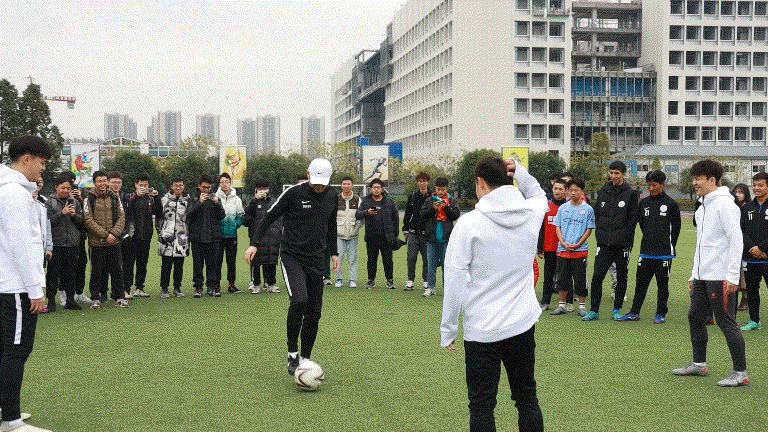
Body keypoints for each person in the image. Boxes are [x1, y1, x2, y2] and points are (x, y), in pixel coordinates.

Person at [441, 156, 545, 432]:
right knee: (526, 397)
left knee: (482, 406)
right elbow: (538, 193)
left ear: (480, 182)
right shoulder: (531, 212)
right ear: (508, 179)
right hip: (522, 322)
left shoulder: (468, 224)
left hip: (482, 328)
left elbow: (453, 278)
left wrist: (448, 328)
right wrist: (521, 172)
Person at [245, 158, 339, 376]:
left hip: (316, 258)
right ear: (307, 174)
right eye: (314, 181)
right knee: (299, 301)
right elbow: (268, 218)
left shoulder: (332, 196)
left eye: (322, 183)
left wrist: (333, 252)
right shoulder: (293, 194)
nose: (318, 186)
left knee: (315, 311)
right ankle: (292, 353)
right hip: (292, 256)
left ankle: (305, 358)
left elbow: (331, 225)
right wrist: (253, 244)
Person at [672, 159, 748, 387]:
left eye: (698, 178)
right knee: (695, 315)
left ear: (712, 180)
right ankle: (699, 364)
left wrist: (733, 276)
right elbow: (701, 243)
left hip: (721, 276)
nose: (694, 182)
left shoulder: (725, 205)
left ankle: (740, 373)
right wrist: (693, 274)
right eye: (693, 178)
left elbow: (736, 240)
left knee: (726, 322)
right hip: (703, 276)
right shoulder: (703, 205)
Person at [0, 135, 53, 432]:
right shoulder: (15, 194)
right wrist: (35, 289)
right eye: (41, 163)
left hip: (7, 283)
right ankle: (11, 420)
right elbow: (21, 244)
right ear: (26, 159)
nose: (42, 170)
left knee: (5, 349)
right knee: (16, 351)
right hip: (16, 286)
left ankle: (6, 409)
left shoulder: (10, 190)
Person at [618, 170, 680, 323]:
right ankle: (634, 312)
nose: (651, 188)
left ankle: (660, 313)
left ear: (662, 184)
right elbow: (642, 226)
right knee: (640, 283)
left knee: (662, 285)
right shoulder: (643, 203)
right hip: (646, 251)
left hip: (664, 253)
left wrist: (668, 245)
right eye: (649, 185)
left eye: (654, 185)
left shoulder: (671, 204)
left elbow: (676, 229)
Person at [586, 161, 638, 321]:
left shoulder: (630, 193)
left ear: (623, 174)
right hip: (604, 244)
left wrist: (623, 235)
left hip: (622, 244)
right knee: (597, 276)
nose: (613, 176)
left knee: (621, 277)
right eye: (612, 173)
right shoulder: (603, 191)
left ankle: (616, 310)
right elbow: (597, 214)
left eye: (617, 173)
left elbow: (633, 218)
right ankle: (594, 310)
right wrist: (601, 232)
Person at [550, 178, 594, 318]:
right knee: (562, 279)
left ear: (582, 191)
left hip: (580, 251)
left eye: (576, 190)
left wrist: (578, 243)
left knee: (581, 279)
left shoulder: (588, 209)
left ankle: (582, 307)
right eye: (571, 190)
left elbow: (589, 229)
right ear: (567, 192)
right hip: (563, 250)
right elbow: (558, 226)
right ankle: (561, 305)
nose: (573, 193)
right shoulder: (563, 208)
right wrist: (562, 242)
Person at [84, 170, 127, 309]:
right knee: (96, 272)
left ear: (107, 181)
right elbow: (88, 220)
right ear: (94, 182)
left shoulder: (115, 197)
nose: (102, 183)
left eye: (104, 181)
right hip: (97, 243)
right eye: (99, 181)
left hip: (114, 241)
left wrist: (114, 234)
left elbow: (122, 217)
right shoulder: (88, 198)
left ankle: (119, 297)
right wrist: (105, 234)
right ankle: (95, 299)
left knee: (117, 270)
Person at [45, 174, 85, 311]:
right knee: (53, 274)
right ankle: (50, 301)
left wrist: (74, 215)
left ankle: (70, 300)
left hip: (73, 244)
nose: (66, 190)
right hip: (56, 244)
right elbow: (47, 223)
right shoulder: (50, 203)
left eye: (68, 188)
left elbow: (82, 222)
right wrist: (62, 213)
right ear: (56, 187)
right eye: (63, 188)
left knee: (70, 274)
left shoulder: (75, 202)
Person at [420, 177, 460, 297]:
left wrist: (446, 207)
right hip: (431, 238)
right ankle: (430, 287)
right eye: (438, 189)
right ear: (435, 188)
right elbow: (422, 215)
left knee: (445, 265)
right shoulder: (429, 200)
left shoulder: (451, 200)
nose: (440, 192)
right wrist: (434, 208)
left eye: (442, 190)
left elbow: (455, 215)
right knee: (430, 264)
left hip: (446, 238)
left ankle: (446, 289)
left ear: (447, 189)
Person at [356, 178, 399, 290]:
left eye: (378, 187)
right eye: (374, 187)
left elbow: (395, 217)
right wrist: (367, 212)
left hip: (387, 236)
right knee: (371, 260)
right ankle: (371, 281)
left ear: (382, 189)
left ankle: (390, 281)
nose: (376, 190)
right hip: (371, 236)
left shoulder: (389, 201)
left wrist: (395, 234)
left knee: (388, 259)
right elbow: (357, 214)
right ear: (370, 189)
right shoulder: (366, 201)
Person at [187, 174, 226, 297]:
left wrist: (217, 203)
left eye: (208, 187)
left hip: (213, 238)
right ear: (199, 186)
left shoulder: (215, 198)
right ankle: (198, 287)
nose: (206, 190)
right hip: (197, 238)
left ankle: (212, 286)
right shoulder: (193, 198)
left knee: (212, 265)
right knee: (197, 265)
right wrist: (199, 202)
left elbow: (222, 216)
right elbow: (189, 215)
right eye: (204, 187)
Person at [739, 172, 768, 331]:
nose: (756, 188)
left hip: (766, 257)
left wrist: (762, 248)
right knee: (751, 291)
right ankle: (754, 321)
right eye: (754, 185)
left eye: (760, 185)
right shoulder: (746, 207)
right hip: (750, 258)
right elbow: (740, 230)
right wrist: (753, 248)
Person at [242, 179, 281, 294]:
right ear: (256, 189)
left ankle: (271, 284)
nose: (263, 191)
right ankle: (255, 284)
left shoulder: (274, 201)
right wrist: (255, 200)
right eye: (260, 188)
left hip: (272, 236)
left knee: (271, 260)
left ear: (269, 189)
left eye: (265, 188)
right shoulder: (253, 202)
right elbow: (245, 217)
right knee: (256, 261)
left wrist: (278, 231)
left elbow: (279, 217)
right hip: (257, 237)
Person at [126, 173, 162, 298]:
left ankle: (139, 288)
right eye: (140, 185)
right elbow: (127, 211)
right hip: (132, 236)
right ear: (135, 185)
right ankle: (126, 289)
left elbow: (159, 212)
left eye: (145, 185)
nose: (143, 187)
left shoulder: (151, 198)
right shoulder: (130, 197)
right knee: (129, 264)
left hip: (146, 236)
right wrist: (136, 197)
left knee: (142, 263)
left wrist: (157, 197)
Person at [156, 177, 191, 298]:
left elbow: (189, 219)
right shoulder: (164, 200)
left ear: (184, 186)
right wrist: (161, 232)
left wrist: (187, 234)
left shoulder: (187, 201)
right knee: (166, 264)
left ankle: (177, 287)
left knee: (179, 265)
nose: (178, 188)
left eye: (180, 185)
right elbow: (159, 217)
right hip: (166, 237)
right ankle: (164, 288)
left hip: (181, 237)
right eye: (176, 185)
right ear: (171, 186)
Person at [538, 178, 568, 310]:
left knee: (565, 276)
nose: (557, 191)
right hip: (549, 247)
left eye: (560, 189)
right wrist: (540, 247)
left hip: (565, 247)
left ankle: (567, 302)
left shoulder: (568, 207)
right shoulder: (546, 206)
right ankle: (545, 302)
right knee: (548, 276)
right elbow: (541, 228)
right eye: (556, 188)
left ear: (565, 191)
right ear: (552, 189)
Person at [215, 172, 244, 294]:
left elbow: (241, 215)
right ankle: (216, 284)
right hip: (218, 235)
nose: (224, 184)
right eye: (222, 182)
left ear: (230, 183)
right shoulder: (215, 198)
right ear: (219, 183)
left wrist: (234, 225)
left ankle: (231, 284)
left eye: (227, 182)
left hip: (232, 235)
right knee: (217, 260)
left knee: (231, 261)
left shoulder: (236, 199)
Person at [403, 172, 432, 291]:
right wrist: (405, 229)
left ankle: (426, 281)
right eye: (420, 181)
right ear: (417, 182)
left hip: (427, 233)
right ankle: (410, 280)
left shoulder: (432, 196)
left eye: (424, 181)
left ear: (428, 182)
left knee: (427, 259)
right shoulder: (413, 195)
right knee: (411, 258)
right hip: (413, 232)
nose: (422, 183)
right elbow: (408, 213)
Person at [107, 172, 133, 300]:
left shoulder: (126, 197)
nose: (116, 185)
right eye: (113, 182)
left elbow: (129, 217)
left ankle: (124, 290)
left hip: (125, 236)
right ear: (108, 182)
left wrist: (128, 233)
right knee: (112, 266)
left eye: (118, 182)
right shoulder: (104, 197)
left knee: (126, 265)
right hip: (110, 236)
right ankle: (106, 292)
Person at [334, 176, 362, 288]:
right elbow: (332, 217)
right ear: (341, 185)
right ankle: (339, 279)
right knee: (338, 258)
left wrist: (357, 228)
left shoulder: (357, 199)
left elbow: (361, 217)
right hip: (338, 235)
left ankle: (352, 280)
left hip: (353, 235)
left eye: (348, 184)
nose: (346, 186)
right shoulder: (336, 199)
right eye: (344, 184)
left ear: (352, 185)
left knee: (353, 258)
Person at [32, 178, 53, 313]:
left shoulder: (43, 202)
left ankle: (39, 301)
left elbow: (47, 226)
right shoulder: (19, 198)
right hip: (24, 246)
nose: (38, 184)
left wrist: (48, 247)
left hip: (39, 245)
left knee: (39, 274)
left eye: (40, 181)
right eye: (35, 181)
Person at [732, 183, 751, 311]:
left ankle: (746, 298)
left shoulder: (748, 207)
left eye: (741, 192)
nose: (738, 194)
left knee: (745, 273)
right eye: (736, 192)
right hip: (733, 245)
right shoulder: (732, 206)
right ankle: (734, 299)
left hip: (746, 245)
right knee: (736, 272)